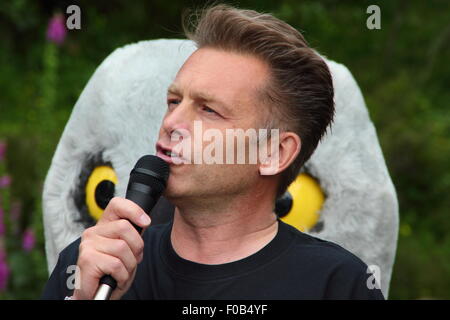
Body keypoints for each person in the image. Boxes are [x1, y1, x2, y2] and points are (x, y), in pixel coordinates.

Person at [42, 4, 384, 300]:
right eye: (174, 101)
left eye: (209, 110)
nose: (172, 122)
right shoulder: (94, 266)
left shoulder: (337, 284)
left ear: (274, 153)